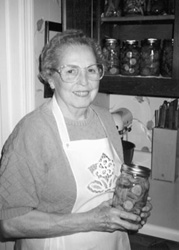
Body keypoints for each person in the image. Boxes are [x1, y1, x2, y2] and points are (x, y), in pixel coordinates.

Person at [0, 29, 152, 250]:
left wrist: (132, 206)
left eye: (91, 70)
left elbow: (113, 190)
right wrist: (92, 220)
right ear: (51, 78)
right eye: (71, 71)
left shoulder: (106, 119)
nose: (84, 81)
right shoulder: (32, 131)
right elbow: (9, 224)